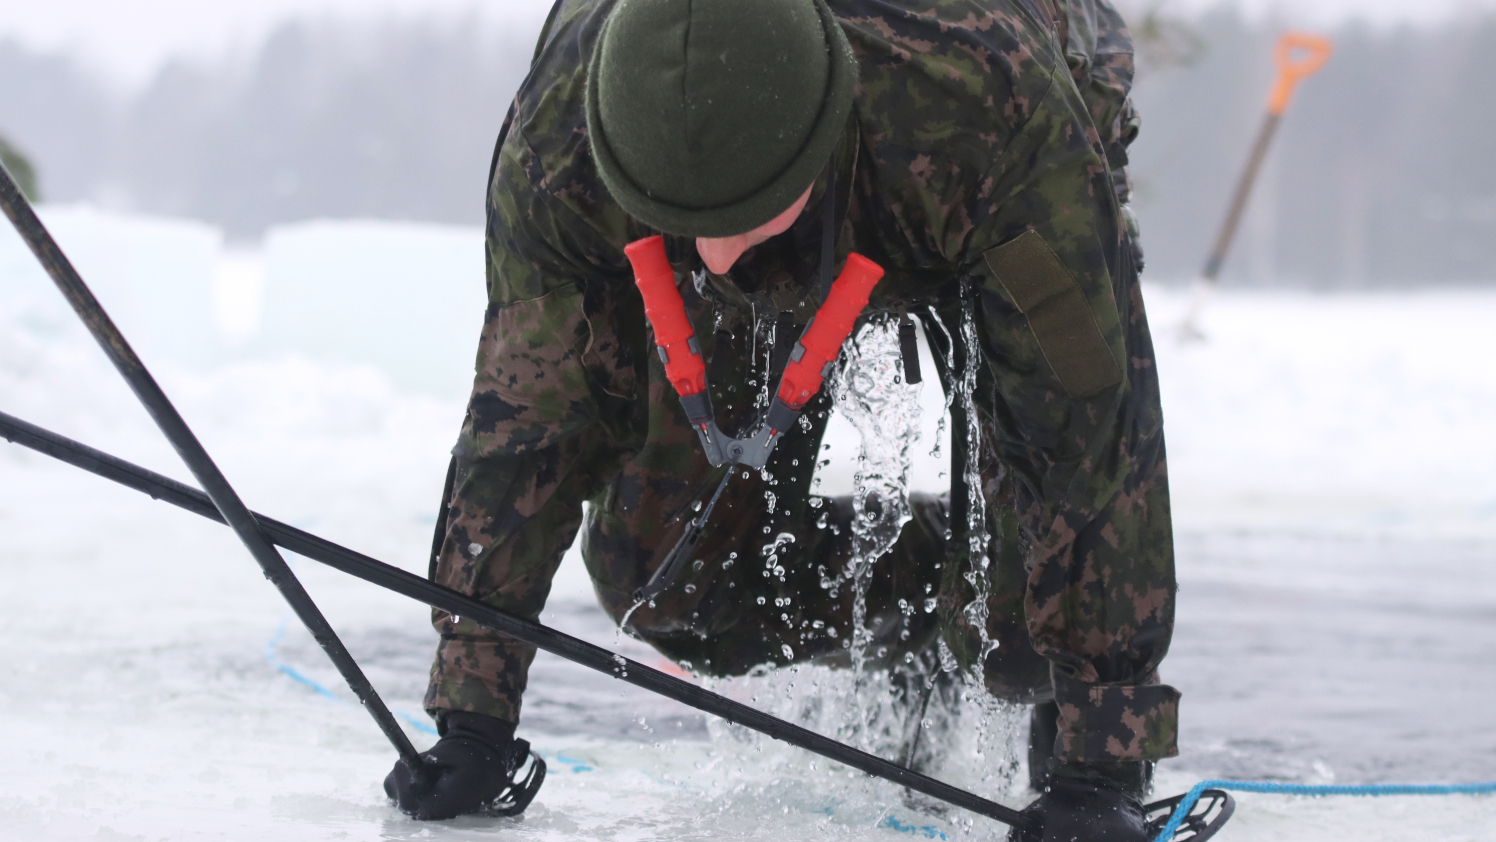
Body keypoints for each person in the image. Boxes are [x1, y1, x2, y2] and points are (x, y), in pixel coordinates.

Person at [386, 0, 1177, 838]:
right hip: (812, 181)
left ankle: (1003, 623)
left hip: (999, 113)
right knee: (668, 588)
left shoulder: (983, 111)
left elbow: (1086, 432)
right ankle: (914, 613)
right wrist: (474, 717)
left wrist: (1102, 763)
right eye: (684, 222)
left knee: (1014, 639)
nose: (719, 256)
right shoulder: (559, 148)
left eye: (740, 216)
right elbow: (529, 422)